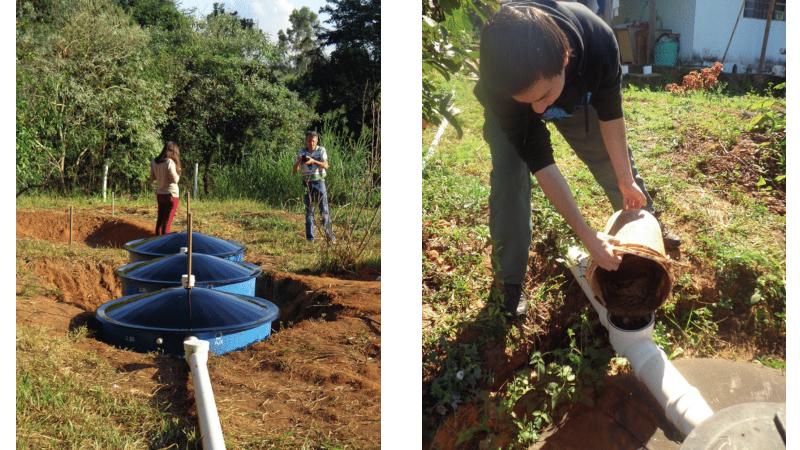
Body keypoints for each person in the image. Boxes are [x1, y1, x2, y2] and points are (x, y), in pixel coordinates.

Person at [473, 0, 681, 319]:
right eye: (530, 102)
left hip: (576, 95)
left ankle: (647, 230)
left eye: (543, 96)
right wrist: (587, 235)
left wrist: (625, 179)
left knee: (611, 162)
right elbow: (541, 161)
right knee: (510, 178)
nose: (538, 110)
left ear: (565, 58)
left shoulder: (599, 43)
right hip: (511, 111)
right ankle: (509, 280)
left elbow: (610, 115)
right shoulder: (500, 77)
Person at [293, 131, 333, 242]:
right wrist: (298, 161)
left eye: (313, 141)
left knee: (324, 210)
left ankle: (330, 237)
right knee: (308, 211)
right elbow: (294, 170)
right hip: (306, 183)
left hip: (319, 182)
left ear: (317, 141)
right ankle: (310, 238)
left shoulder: (321, 150)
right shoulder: (302, 152)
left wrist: (313, 161)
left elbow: (326, 165)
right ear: (306, 141)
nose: (311, 144)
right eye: (309, 141)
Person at [149, 141, 181, 235]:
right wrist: (178, 171)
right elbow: (175, 180)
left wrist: (161, 175)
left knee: (159, 222)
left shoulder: (154, 161)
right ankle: (165, 243)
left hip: (160, 193)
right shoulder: (169, 162)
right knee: (166, 224)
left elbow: (152, 178)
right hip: (171, 194)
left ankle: (158, 242)